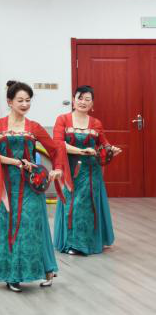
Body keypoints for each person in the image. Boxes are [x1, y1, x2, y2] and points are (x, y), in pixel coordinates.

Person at [0, 80, 72, 292]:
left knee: (31, 227)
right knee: (8, 227)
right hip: (6, 187)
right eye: (20, 100)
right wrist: (15, 162)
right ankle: (12, 274)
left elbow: (56, 149)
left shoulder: (34, 127)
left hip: (31, 186)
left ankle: (44, 270)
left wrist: (58, 168)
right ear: (9, 102)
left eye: (28, 100)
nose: (25, 104)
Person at [53, 85, 120, 255]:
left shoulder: (96, 123)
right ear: (73, 100)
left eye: (87, 99)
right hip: (70, 170)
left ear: (92, 103)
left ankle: (82, 244)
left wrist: (111, 149)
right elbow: (58, 144)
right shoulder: (62, 119)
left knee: (85, 205)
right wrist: (81, 151)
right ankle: (72, 243)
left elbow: (104, 144)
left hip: (91, 172)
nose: (83, 102)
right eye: (80, 98)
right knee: (72, 204)